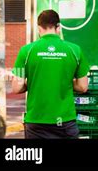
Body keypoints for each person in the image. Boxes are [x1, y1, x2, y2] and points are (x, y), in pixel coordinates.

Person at [12, 9, 90, 139]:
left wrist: (32, 81)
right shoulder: (75, 50)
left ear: (39, 28)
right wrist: (64, 81)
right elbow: (83, 87)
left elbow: (16, 87)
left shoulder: (25, 52)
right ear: (58, 27)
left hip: (36, 122)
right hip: (65, 122)